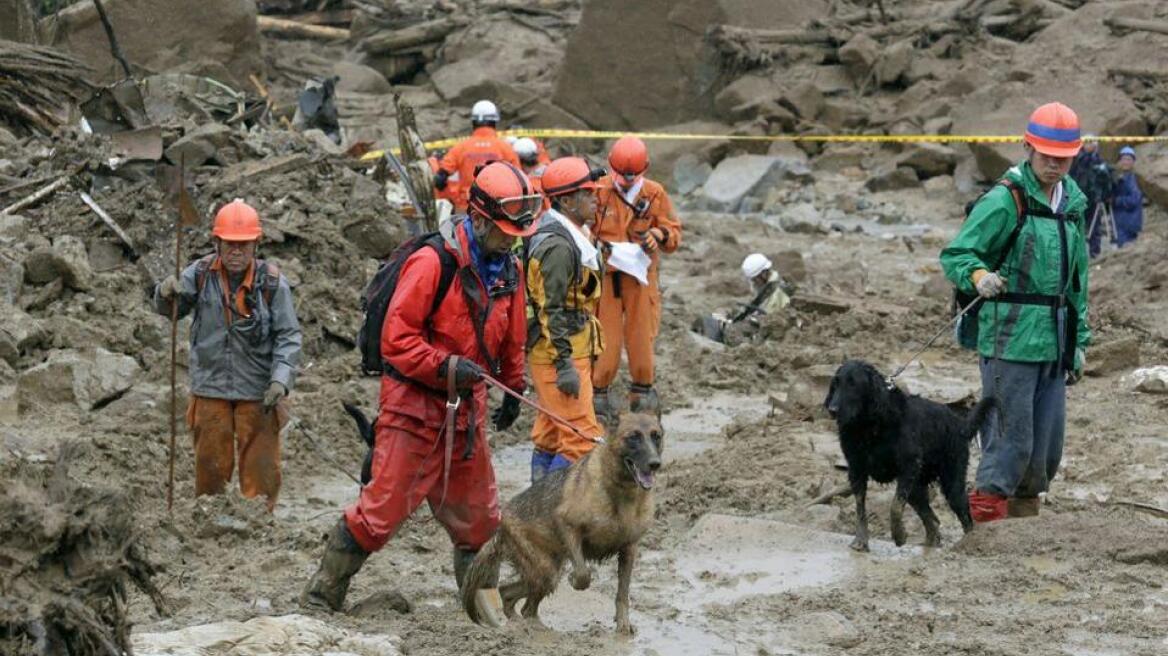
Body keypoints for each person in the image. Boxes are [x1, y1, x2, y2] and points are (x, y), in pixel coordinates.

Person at [301, 162, 539, 612]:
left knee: (480, 522)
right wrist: (446, 366)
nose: (511, 240)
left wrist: (512, 385)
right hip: (414, 407)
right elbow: (397, 341)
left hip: (466, 413)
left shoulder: (509, 270)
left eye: (516, 233)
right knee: (381, 512)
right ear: (481, 219)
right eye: (505, 231)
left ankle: (481, 615)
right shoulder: (434, 263)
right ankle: (320, 597)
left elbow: (513, 337)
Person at [940, 102, 1090, 523]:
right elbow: (956, 254)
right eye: (1047, 157)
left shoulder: (1072, 206)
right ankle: (985, 521)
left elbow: (1078, 283)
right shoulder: (1006, 200)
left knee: (1045, 446)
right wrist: (978, 276)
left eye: (1064, 159)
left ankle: (1024, 519)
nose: (1055, 166)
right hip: (1010, 337)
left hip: (1055, 339)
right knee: (1009, 439)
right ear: (1028, 148)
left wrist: (1079, 343)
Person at [152, 200, 302, 512]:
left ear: (256, 245)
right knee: (210, 466)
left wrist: (280, 380)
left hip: (258, 392)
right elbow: (173, 309)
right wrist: (165, 294)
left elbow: (288, 336)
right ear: (217, 243)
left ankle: (259, 521)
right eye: (230, 245)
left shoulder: (273, 283)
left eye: (243, 245)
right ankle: (209, 517)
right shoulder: (200, 274)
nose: (236, 252)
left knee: (262, 470)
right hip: (210, 388)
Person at [524, 157, 607, 481]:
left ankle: (535, 507)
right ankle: (551, 512)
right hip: (561, 351)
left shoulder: (571, 234)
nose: (596, 198)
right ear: (567, 200)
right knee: (580, 438)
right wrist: (564, 366)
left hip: (570, 345)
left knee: (551, 433)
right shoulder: (558, 246)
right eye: (588, 193)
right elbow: (550, 309)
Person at [591, 136, 682, 422]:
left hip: (641, 279)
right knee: (606, 340)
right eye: (621, 177)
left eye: (633, 177)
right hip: (607, 278)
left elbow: (673, 233)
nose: (627, 182)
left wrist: (658, 235)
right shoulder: (598, 191)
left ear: (644, 169)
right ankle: (598, 397)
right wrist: (597, 245)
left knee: (642, 339)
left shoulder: (655, 194)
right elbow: (582, 226)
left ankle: (643, 396)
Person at [435, 100, 521, 212]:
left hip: (466, 208)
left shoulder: (460, 148)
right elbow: (518, 181)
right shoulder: (505, 148)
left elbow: (440, 179)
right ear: (494, 122)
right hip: (498, 210)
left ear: (473, 122)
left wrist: (454, 197)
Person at [692, 253, 792, 346]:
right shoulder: (768, 287)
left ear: (763, 274)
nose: (753, 283)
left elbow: (769, 320)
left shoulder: (777, 293)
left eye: (754, 279)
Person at [1068, 136, 1112, 257]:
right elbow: (1069, 176)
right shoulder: (1076, 160)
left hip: (1094, 199)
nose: (1090, 145)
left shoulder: (1100, 162)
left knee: (1095, 226)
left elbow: (1106, 182)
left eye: (1092, 143)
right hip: (1078, 198)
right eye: (1087, 143)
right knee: (1076, 225)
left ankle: (1094, 252)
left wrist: (1105, 195)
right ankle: (1076, 254)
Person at [1112, 145, 1144, 248]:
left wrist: (1115, 201)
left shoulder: (1134, 179)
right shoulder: (1121, 177)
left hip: (1129, 222)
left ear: (1133, 162)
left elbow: (1134, 200)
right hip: (1122, 221)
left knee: (1125, 248)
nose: (1125, 162)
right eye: (1123, 159)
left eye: (1128, 159)